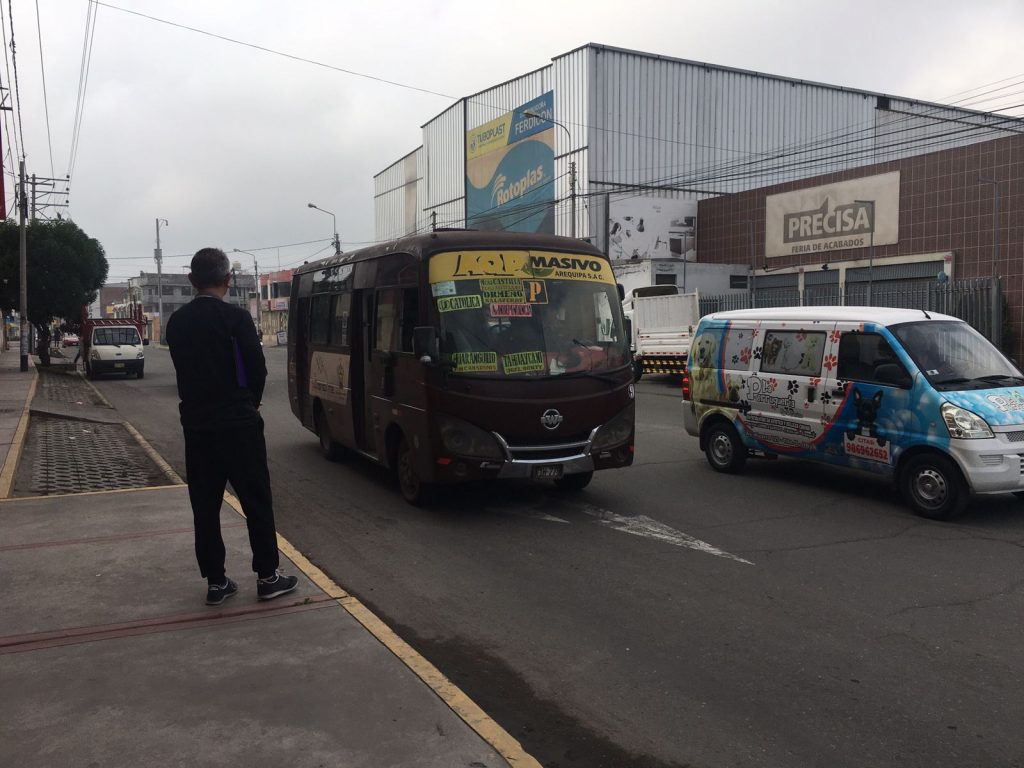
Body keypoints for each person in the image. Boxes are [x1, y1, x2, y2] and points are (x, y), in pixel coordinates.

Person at [165, 248, 298, 606]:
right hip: (239, 426)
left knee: (205, 506)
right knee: (256, 501)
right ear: (227, 280)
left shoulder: (177, 323)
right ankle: (268, 577)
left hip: (198, 427)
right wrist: (249, 404)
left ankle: (216, 582)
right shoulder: (236, 320)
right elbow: (257, 371)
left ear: (192, 281)